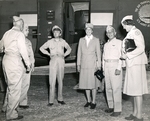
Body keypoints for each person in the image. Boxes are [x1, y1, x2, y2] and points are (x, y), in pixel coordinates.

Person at [0, 16, 31, 120]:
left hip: (6, 60)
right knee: (15, 89)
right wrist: (28, 63)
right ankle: (11, 114)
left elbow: (0, 48)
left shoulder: (6, 33)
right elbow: (23, 50)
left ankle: (6, 108)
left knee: (10, 86)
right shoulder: (19, 34)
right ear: (21, 24)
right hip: (14, 61)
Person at [121, 15, 148, 121]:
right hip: (133, 64)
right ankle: (135, 113)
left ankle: (139, 116)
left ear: (128, 24)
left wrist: (127, 55)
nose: (123, 28)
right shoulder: (130, 33)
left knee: (138, 91)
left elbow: (141, 48)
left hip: (136, 64)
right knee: (134, 90)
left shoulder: (136, 32)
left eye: (124, 25)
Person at [40, 25, 71, 106]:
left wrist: (64, 54)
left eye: (57, 32)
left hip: (61, 60)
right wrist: (48, 54)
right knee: (52, 81)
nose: (56, 33)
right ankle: (51, 101)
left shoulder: (63, 41)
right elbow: (41, 48)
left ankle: (60, 99)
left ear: (60, 33)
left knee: (60, 80)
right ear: (53, 33)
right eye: (54, 32)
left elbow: (69, 49)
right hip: (53, 60)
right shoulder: (49, 42)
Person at [77, 23, 101, 109]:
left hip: (92, 65)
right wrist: (78, 64)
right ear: (85, 30)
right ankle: (88, 101)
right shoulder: (81, 40)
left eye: (90, 30)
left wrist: (99, 65)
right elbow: (79, 53)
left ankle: (94, 101)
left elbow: (98, 53)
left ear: (92, 31)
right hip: (83, 64)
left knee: (93, 84)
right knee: (85, 83)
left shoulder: (96, 40)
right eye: (87, 30)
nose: (88, 31)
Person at [102, 25, 123, 117]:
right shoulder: (106, 44)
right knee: (108, 88)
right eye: (108, 32)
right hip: (107, 66)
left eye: (111, 32)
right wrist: (103, 68)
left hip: (115, 66)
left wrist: (119, 67)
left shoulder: (120, 43)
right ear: (106, 34)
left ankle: (117, 109)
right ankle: (111, 106)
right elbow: (103, 57)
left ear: (115, 33)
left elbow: (122, 56)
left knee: (116, 88)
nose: (109, 34)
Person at [19, 24, 35, 109]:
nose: (28, 31)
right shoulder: (17, 41)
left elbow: (31, 54)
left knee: (26, 84)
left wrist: (32, 63)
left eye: (28, 30)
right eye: (26, 30)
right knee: (16, 85)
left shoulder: (28, 41)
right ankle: (7, 105)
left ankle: (23, 102)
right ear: (21, 30)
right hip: (19, 64)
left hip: (27, 64)